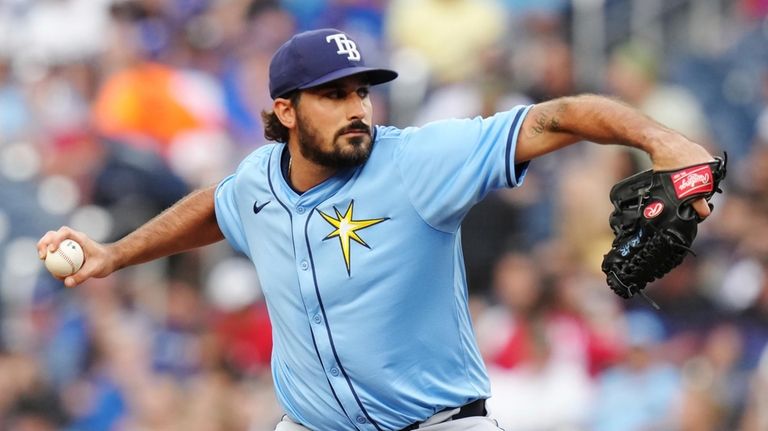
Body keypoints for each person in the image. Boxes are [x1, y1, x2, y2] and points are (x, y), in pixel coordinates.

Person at [37, 28, 716, 431]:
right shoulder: (256, 182)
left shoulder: (417, 160)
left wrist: (661, 140)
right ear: (286, 109)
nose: (357, 106)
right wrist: (115, 254)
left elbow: (556, 117)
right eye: (335, 94)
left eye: (362, 89)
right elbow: (215, 207)